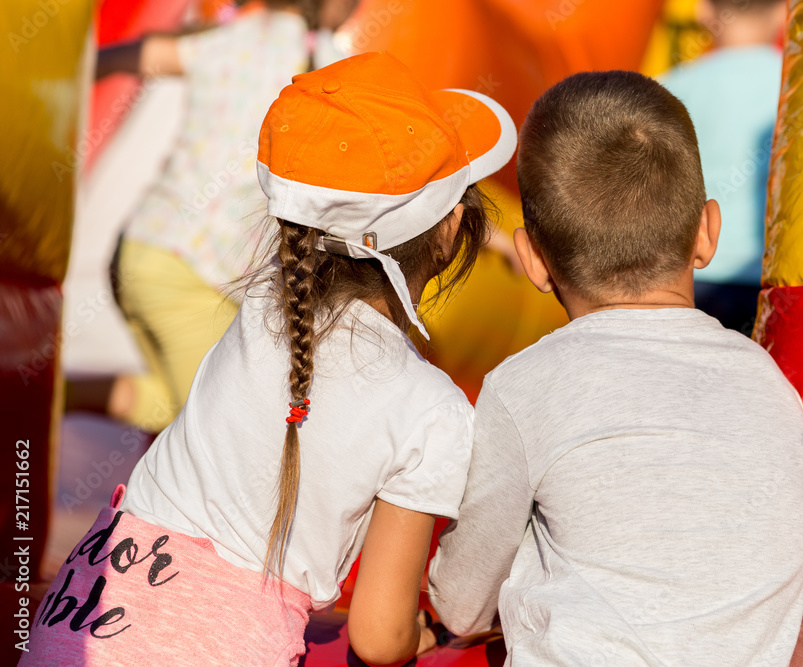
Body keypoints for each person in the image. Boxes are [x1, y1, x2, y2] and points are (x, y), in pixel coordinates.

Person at [22, 52, 516, 666]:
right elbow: (377, 637)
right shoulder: (432, 410)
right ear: (450, 234)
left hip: (68, 633)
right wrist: (430, 635)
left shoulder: (258, 308)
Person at [427, 71, 803, 665]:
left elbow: (461, 603)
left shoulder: (526, 388)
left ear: (531, 261)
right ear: (707, 232)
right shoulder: (771, 382)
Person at [66, 0, 358, 432]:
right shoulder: (331, 70)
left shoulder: (230, 37)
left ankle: (51, 393)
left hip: (142, 249)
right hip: (197, 275)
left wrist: (58, 71)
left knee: (169, 407)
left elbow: (138, 55)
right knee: (219, 429)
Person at [657, 0, 786, 334]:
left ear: (703, 12)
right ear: (785, 13)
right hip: (770, 280)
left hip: (684, 278)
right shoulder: (798, 87)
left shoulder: (665, 89)